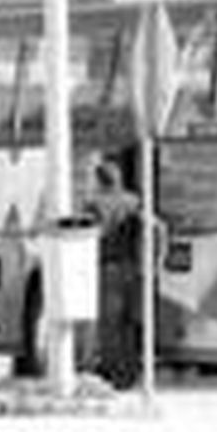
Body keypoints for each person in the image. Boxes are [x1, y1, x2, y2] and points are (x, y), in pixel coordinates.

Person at [83, 156, 143, 389]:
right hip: (131, 267)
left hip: (107, 268)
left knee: (110, 325)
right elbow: (154, 226)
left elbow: (88, 232)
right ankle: (130, 371)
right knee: (128, 323)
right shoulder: (133, 201)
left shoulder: (94, 204)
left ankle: (113, 372)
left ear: (100, 180)